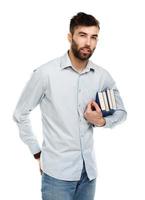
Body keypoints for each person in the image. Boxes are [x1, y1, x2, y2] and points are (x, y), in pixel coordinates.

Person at [13, 12, 127, 200]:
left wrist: (100, 121)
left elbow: (122, 112)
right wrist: (36, 151)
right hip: (57, 175)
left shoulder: (101, 76)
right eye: (82, 35)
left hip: (88, 174)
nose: (88, 43)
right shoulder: (45, 73)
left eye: (93, 37)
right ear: (70, 37)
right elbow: (20, 114)